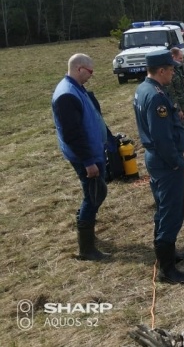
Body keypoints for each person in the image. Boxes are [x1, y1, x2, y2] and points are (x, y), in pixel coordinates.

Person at [133, 50, 184, 283]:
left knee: (163, 207)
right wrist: (176, 162)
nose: (172, 74)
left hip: (156, 159)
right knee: (171, 210)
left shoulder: (143, 89)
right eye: (170, 70)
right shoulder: (157, 96)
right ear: (161, 70)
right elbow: (161, 137)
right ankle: (168, 270)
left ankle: (168, 254)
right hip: (165, 161)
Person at [52, 53, 111, 261]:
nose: (91, 76)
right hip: (86, 157)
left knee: (95, 194)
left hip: (92, 152)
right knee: (93, 195)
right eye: (90, 72)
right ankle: (86, 249)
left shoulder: (76, 89)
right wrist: (88, 162)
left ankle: (86, 229)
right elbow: (72, 134)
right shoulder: (67, 95)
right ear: (79, 69)